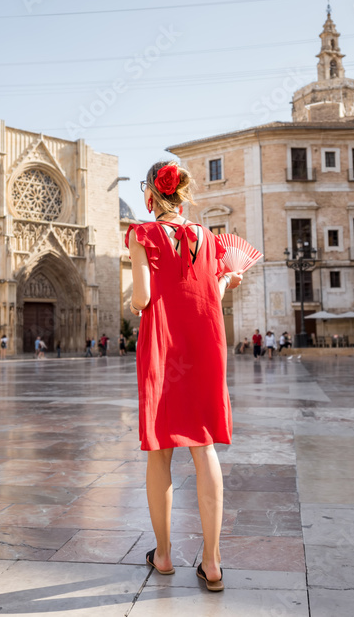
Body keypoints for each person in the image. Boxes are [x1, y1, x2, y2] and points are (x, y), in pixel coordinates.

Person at [126, 160, 242, 591]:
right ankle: (212, 563)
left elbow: (143, 296)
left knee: (160, 449)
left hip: (164, 344)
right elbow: (208, 290)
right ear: (182, 193)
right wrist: (229, 278)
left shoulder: (143, 234)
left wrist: (133, 305)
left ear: (150, 195)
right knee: (203, 444)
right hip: (204, 344)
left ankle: (165, 555)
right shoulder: (208, 238)